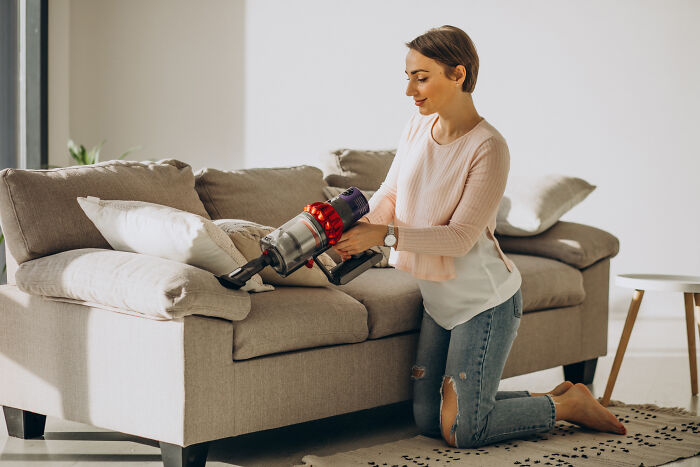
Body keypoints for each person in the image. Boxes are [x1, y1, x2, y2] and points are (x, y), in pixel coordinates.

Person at [332, 25, 626, 449]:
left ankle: (569, 406)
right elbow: (391, 194)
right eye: (408, 76)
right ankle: (553, 397)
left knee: (465, 430)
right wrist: (355, 230)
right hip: (439, 302)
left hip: (484, 303)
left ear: (458, 74)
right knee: (428, 420)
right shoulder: (416, 129)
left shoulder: (488, 147)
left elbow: (459, 239)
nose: (410, 89)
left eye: (422, 76)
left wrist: (385, 235)